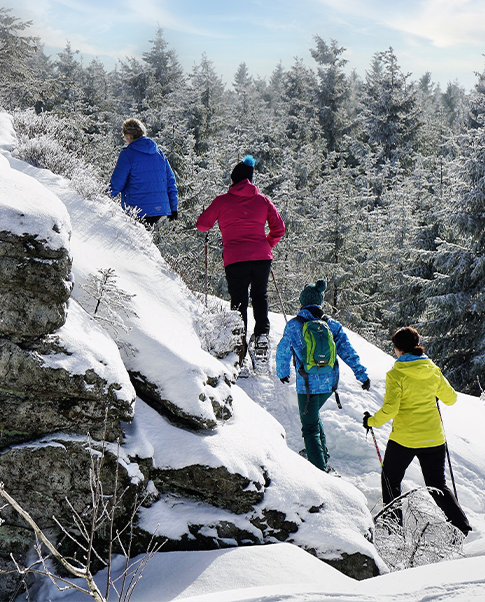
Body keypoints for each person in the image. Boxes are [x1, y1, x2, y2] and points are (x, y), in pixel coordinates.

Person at [364, 327, 471, 536]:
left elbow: (391, 409)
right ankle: (461, 526)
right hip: (433, 438)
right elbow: (451, 398)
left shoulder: (396, 374)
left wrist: (371, 421)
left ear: (398, 349)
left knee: (391, 480)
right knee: (437, 484)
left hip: (405, 438)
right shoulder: (432, 369)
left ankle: (394, 530)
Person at [196, 155, 285, 359]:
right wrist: (266, 244)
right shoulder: (263, 200)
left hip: (235, 259)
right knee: (260, 296)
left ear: (234, 180)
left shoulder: (222, 201)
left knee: (239, 301)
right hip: (262, 258)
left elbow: (202, 225)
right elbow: (279, 228)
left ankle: (239, 345)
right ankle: (262, 336)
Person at [275, 279, 370, 472]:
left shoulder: (294, 325)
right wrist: (362, 375)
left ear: (302, 302)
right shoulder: (332, 325)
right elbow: (348, 351)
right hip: (329, 384)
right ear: (320, 302)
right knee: (313, 417)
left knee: (309, 427)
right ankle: (320, 453)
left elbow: (283, 350)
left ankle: (320, 471)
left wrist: (283, 373)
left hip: (306, 384)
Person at [109, 118, 178, 225]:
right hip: (160, 210)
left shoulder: (127, 154)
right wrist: (174, 208)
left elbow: (116, 184)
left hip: (137, 210)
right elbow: (170, 181)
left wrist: (102, 200)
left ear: (129, 136)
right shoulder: (159, 153)